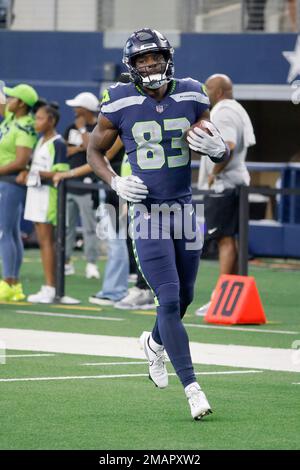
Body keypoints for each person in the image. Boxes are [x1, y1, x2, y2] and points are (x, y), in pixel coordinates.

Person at [87, 29, 229, 420]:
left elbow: (211, 142)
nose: (148, 65)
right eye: (141, 60)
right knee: (167, 298)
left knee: (184, 298)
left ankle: (153, 342)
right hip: (147, 210)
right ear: (131, 66)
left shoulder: (192, 92)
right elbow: (94, 149)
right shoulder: (118, 99)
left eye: (154, 57)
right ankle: (193, 388)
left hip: (183, 208)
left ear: (167, 58)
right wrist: (114, 180)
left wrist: (221, 151)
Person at [196, 74, 256, 316]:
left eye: (209, 88)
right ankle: (232, 294)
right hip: (235, 181)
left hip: (224, 183)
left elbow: (228, 145)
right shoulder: (238, 108)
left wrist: (214, 172)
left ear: (219, 91)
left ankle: (221, 298)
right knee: (230, 239)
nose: (205, 92)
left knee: (224, 239)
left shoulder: (222, 111)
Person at [17, 103, 69, 303]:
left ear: (51, 121)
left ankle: (51, 287)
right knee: (43, 242)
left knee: (48, 242)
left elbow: (61, 171)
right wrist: (28, 171)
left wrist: (33, 172)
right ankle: (49, 287)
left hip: (49, 198)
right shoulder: (40, 141)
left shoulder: (58, 143)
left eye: (40, 118)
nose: (35, 121)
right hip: (35, 196)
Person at [0, 83, 38, 301]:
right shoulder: (12, 119)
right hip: (5, 181)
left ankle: (9, 281)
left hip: (10, 182)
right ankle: (12, 283)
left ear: (22, 103)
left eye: (12, 98)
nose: (8, 100)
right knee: (11, 232)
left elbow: (21, 161)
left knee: (7, 232)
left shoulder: (25, 125)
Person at [64, 92, 100, 279]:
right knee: (67, 227)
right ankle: (66, 262)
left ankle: (91, 264)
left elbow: (92, 149)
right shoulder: (71, 128)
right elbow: (65, 150)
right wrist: (78, 147)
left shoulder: (97, 128)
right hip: (68, 185)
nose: (74, 110)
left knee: (89, 227)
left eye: (77, 107)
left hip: (87, 187)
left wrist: (83, 131)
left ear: (85, 109)